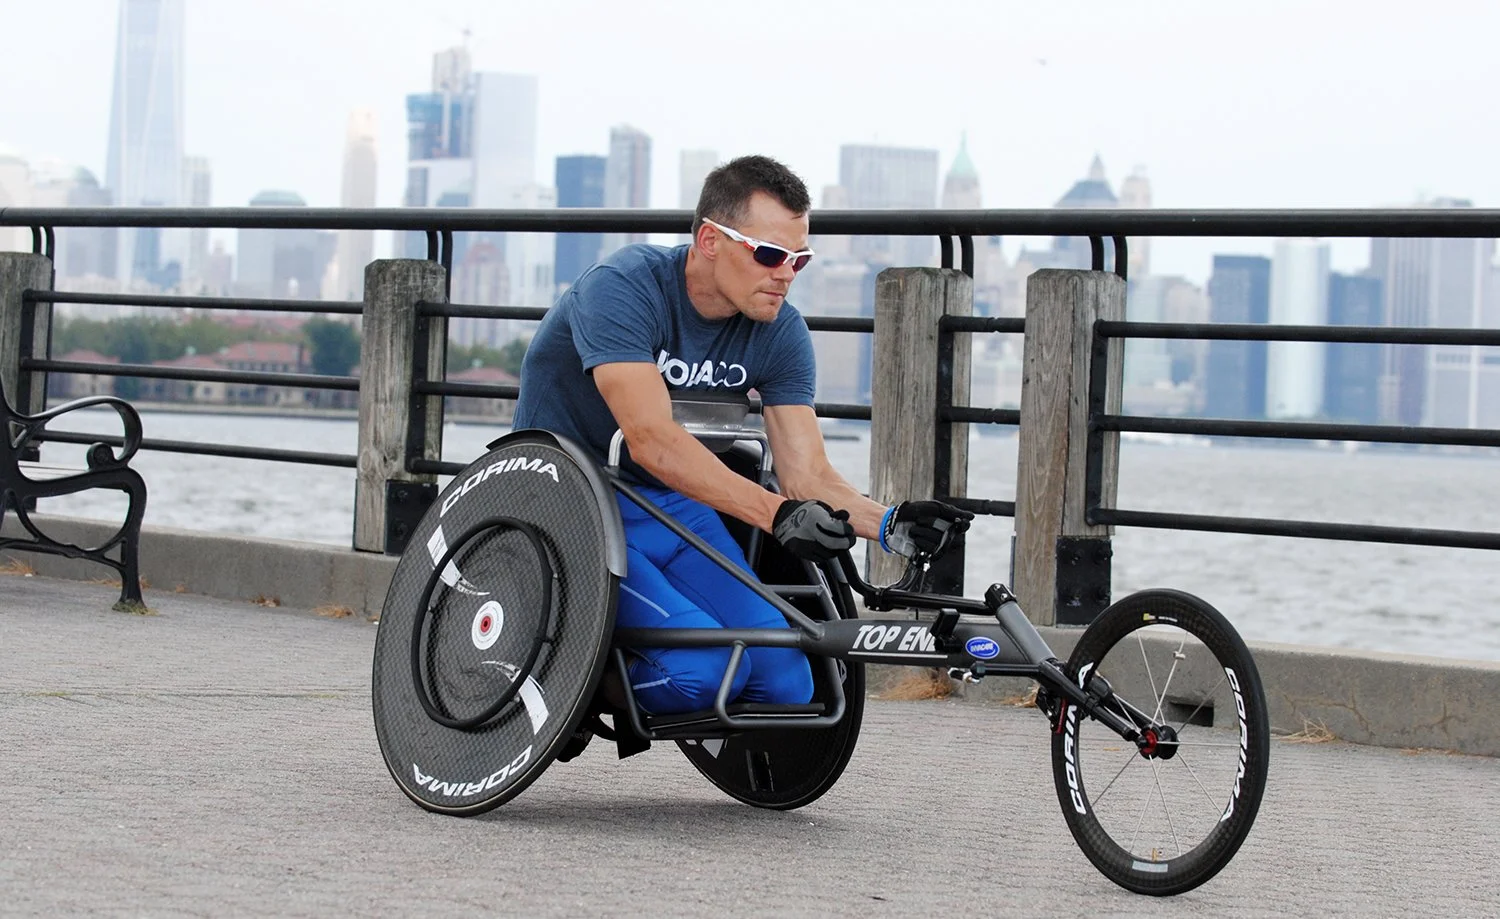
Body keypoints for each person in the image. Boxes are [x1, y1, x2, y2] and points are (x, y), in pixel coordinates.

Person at [512, 154, 971, 716]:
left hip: (675, 509)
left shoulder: (781, 333)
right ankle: (570, 692)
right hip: (572, 505)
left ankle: (614, 663)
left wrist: (893, 524)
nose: (785, 274)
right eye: (771, 254)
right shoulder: (625, 288)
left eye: (799, 260)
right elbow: (651, 440)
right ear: (710, 240)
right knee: (700, 677)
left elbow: (808, 476)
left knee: (786, 683)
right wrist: (776, 515)